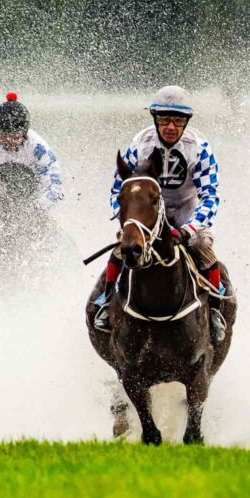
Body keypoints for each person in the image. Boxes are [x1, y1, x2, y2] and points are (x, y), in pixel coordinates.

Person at [93, 86, 225, 342]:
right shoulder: (140, 144)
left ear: (186, 122)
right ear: (155, 119)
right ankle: (106, 302)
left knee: (201, 245)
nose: (171, 127)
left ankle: (216, 308)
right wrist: (129, 223)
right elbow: (118, 190)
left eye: (178, 120)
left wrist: (188, 230)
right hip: (145, 213)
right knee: (123, 248)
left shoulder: (199, 148)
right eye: (165, 120)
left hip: (184, 211)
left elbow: (210, 196)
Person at [0, 92, 63, 206]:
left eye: (15, 137)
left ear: (24, 133)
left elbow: (55, 190)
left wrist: (36, 207)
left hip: (33, 198)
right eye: (4, 137)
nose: (10, 141)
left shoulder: (39, 150)